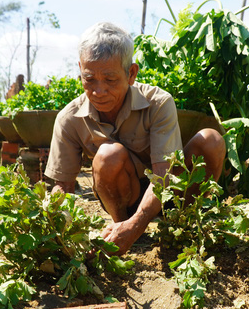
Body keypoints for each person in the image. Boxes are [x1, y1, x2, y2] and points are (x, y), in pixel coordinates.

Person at [44, 22, 226, 255]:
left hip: (171, 191)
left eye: (110, 80)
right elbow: (63, 186)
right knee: (109, 154)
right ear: (80, 69)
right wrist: (52, 229)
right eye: (89, 79)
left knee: (211, 140)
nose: (99, 91)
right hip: (123, 198)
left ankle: (183, 223)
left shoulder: (158, 103)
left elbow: (164, 173)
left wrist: (137, 225)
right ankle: (120, 226)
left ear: (131, 74)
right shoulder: (69, 118)